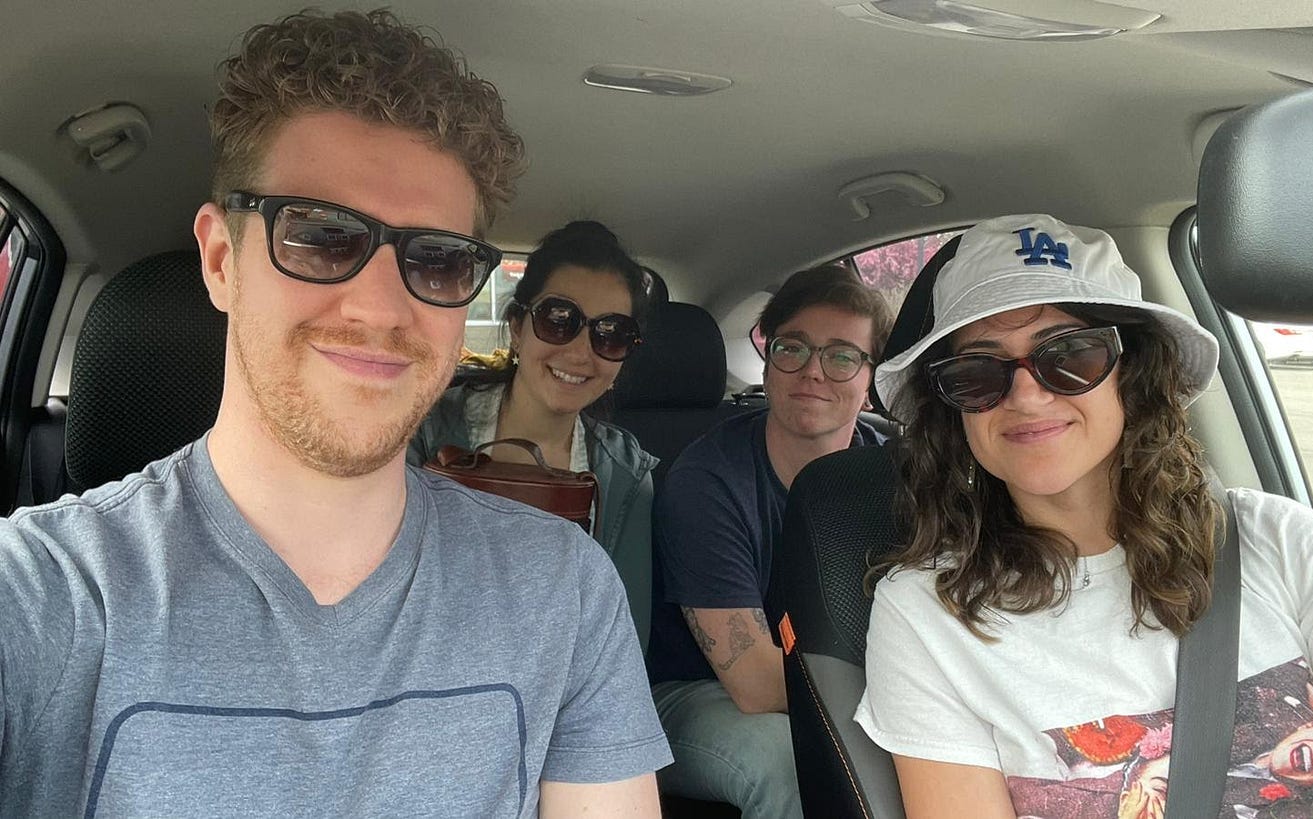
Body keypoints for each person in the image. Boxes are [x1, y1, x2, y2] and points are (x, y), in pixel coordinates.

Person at [0, 11, 670, 817]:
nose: (383, 306)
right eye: (320, 236)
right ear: (221, 259)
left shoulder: (564, 589)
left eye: (438, 258)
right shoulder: (50, 593)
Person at [854, 213, 1313, 817]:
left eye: (1070, 355)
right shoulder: (927, 616)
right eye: (978, 372)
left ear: (1133, 372)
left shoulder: (1280, 543)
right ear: (955, 409)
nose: (1027, 395)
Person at [647, 263, 894, 818]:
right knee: (789, 764)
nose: (813, 372)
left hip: (860, 686)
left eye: (842, 355)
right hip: (691, 693)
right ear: (769, 359)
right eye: (793, 348)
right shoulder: (707, 481)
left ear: (870, 378)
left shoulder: (893, 471)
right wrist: (912, 698)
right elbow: (756, 683)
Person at [410, 220, 658, 649]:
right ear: (518, 328)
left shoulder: (626, 476)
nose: (581, 353)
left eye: (611, 334)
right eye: (559, 320)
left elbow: (624, 640)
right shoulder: (420, 432)